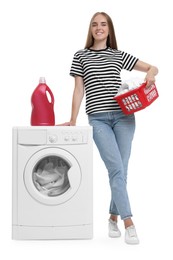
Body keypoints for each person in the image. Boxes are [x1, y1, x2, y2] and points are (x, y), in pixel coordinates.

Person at [69, 12, 158, 244]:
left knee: (121, 171)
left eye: (103, 24)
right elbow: (79, 90)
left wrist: (151, 74)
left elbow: (153, 67)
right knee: (116, 170)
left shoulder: (118, 55)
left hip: (124, 117)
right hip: (98, 119)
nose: (99, 28)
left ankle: (112, 217)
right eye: (95, 24)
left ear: (109, 29)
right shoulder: (80, 56)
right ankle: (129, 223)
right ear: (90, 30)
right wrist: (72, 119)